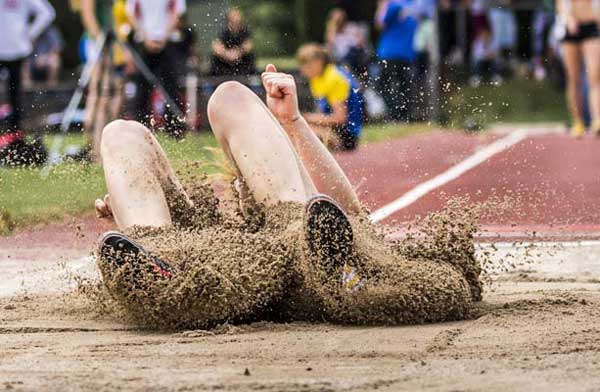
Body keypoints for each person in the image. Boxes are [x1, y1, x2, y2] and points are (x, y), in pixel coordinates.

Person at [93, 64, 481, 329]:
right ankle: (151, 264)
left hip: (297, 249)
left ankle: (343, 277)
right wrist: (129, 221)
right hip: (205, 266)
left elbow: (349, 213)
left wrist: (293, 122)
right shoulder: (218, 231)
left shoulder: (306, 214)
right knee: (119, 134)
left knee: (229, 96)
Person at [0, 0, 54, 161]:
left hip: (17, 49)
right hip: (15, 47)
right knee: (15, 96)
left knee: (16, 97)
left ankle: (14, 141)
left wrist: (28, 34)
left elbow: (47, 12)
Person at [79, 0, 131, 162]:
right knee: (99, 96)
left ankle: (103, 146)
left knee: (115, 94)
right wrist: (101, 42)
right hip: (97, 43)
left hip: (110, 42)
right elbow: (87, 16)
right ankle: (95, 149)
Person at [126, 0, 187, 138]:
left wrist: (163, 37)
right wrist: (146, 37)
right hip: (144, 42)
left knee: (170, 86)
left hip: (167, 41)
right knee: (142, 88)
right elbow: (131, 14)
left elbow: (176, 13)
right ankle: (140, 126)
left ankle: (174, 127)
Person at [296, 44, 363, 151]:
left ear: (319, 62)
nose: (303, 70)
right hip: (331, 129)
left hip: (347, 136)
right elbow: (321, 113)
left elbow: (340, 118)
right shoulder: (317, 79)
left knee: (297, 130)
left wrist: (307, 118)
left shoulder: (334, 78)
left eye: (307, 65)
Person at [556, 0, 600, 137]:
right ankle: (577, 121)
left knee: (595, 76)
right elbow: (561, 4)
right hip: (570, 28)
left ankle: (597, 120)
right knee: (573, 79)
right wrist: (569, 17)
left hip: (592, 26)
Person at [375, 0, 418, 122]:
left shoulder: (392, 4)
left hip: (389, 52)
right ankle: (405, 115)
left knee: (382, 84)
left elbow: (380, 23)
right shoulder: (414, 5)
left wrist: (382, 5)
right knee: (404, 85)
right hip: (407, 52)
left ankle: (394, 114)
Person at [211, 8, 256, 76]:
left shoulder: (245, 31)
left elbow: (248, 45)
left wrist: (238, 52)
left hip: (243, 64)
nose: (235, 20)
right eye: (233, 18)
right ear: (228, 20)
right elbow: (216, 46)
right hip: (224, 65)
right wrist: (226, 54)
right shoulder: (223, 32)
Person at [324, 8, 369, 77]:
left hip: (355, 54)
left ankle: (351, 77)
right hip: (340, 57)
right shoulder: (332, 32)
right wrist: (333, 28)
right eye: (337, 20)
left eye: (340, 19)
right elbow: (329, 46)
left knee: (351, 53)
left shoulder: (351, 27)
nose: (339, 21)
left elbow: (361, 43)